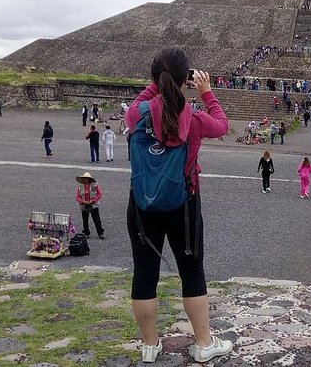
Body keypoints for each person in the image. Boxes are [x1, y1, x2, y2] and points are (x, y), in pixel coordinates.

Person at [124, 48, 232, 363]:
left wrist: (157, 83)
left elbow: (136, 104)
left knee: (144, 272)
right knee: (191, 271)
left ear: (155, 79)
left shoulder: (137, 114)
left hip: (142, 204)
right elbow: (222, 125)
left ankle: (149, 345)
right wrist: (207, 92)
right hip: (183, 203)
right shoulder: (194, 119)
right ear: (186, 79)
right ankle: (203, 343)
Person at [75, 172, 105, 239]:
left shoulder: (95, 185)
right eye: (84, 178)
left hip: (93, 205)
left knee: (96, 219)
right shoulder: (80, 187)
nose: (85, 180)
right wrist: (83, 201)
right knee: (85, 220)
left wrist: (93, 200)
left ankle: (100, 233)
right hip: (84, 205)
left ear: (89, 179)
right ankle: (86, 233)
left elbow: (99, 194)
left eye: (86, 178)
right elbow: (77, 197)